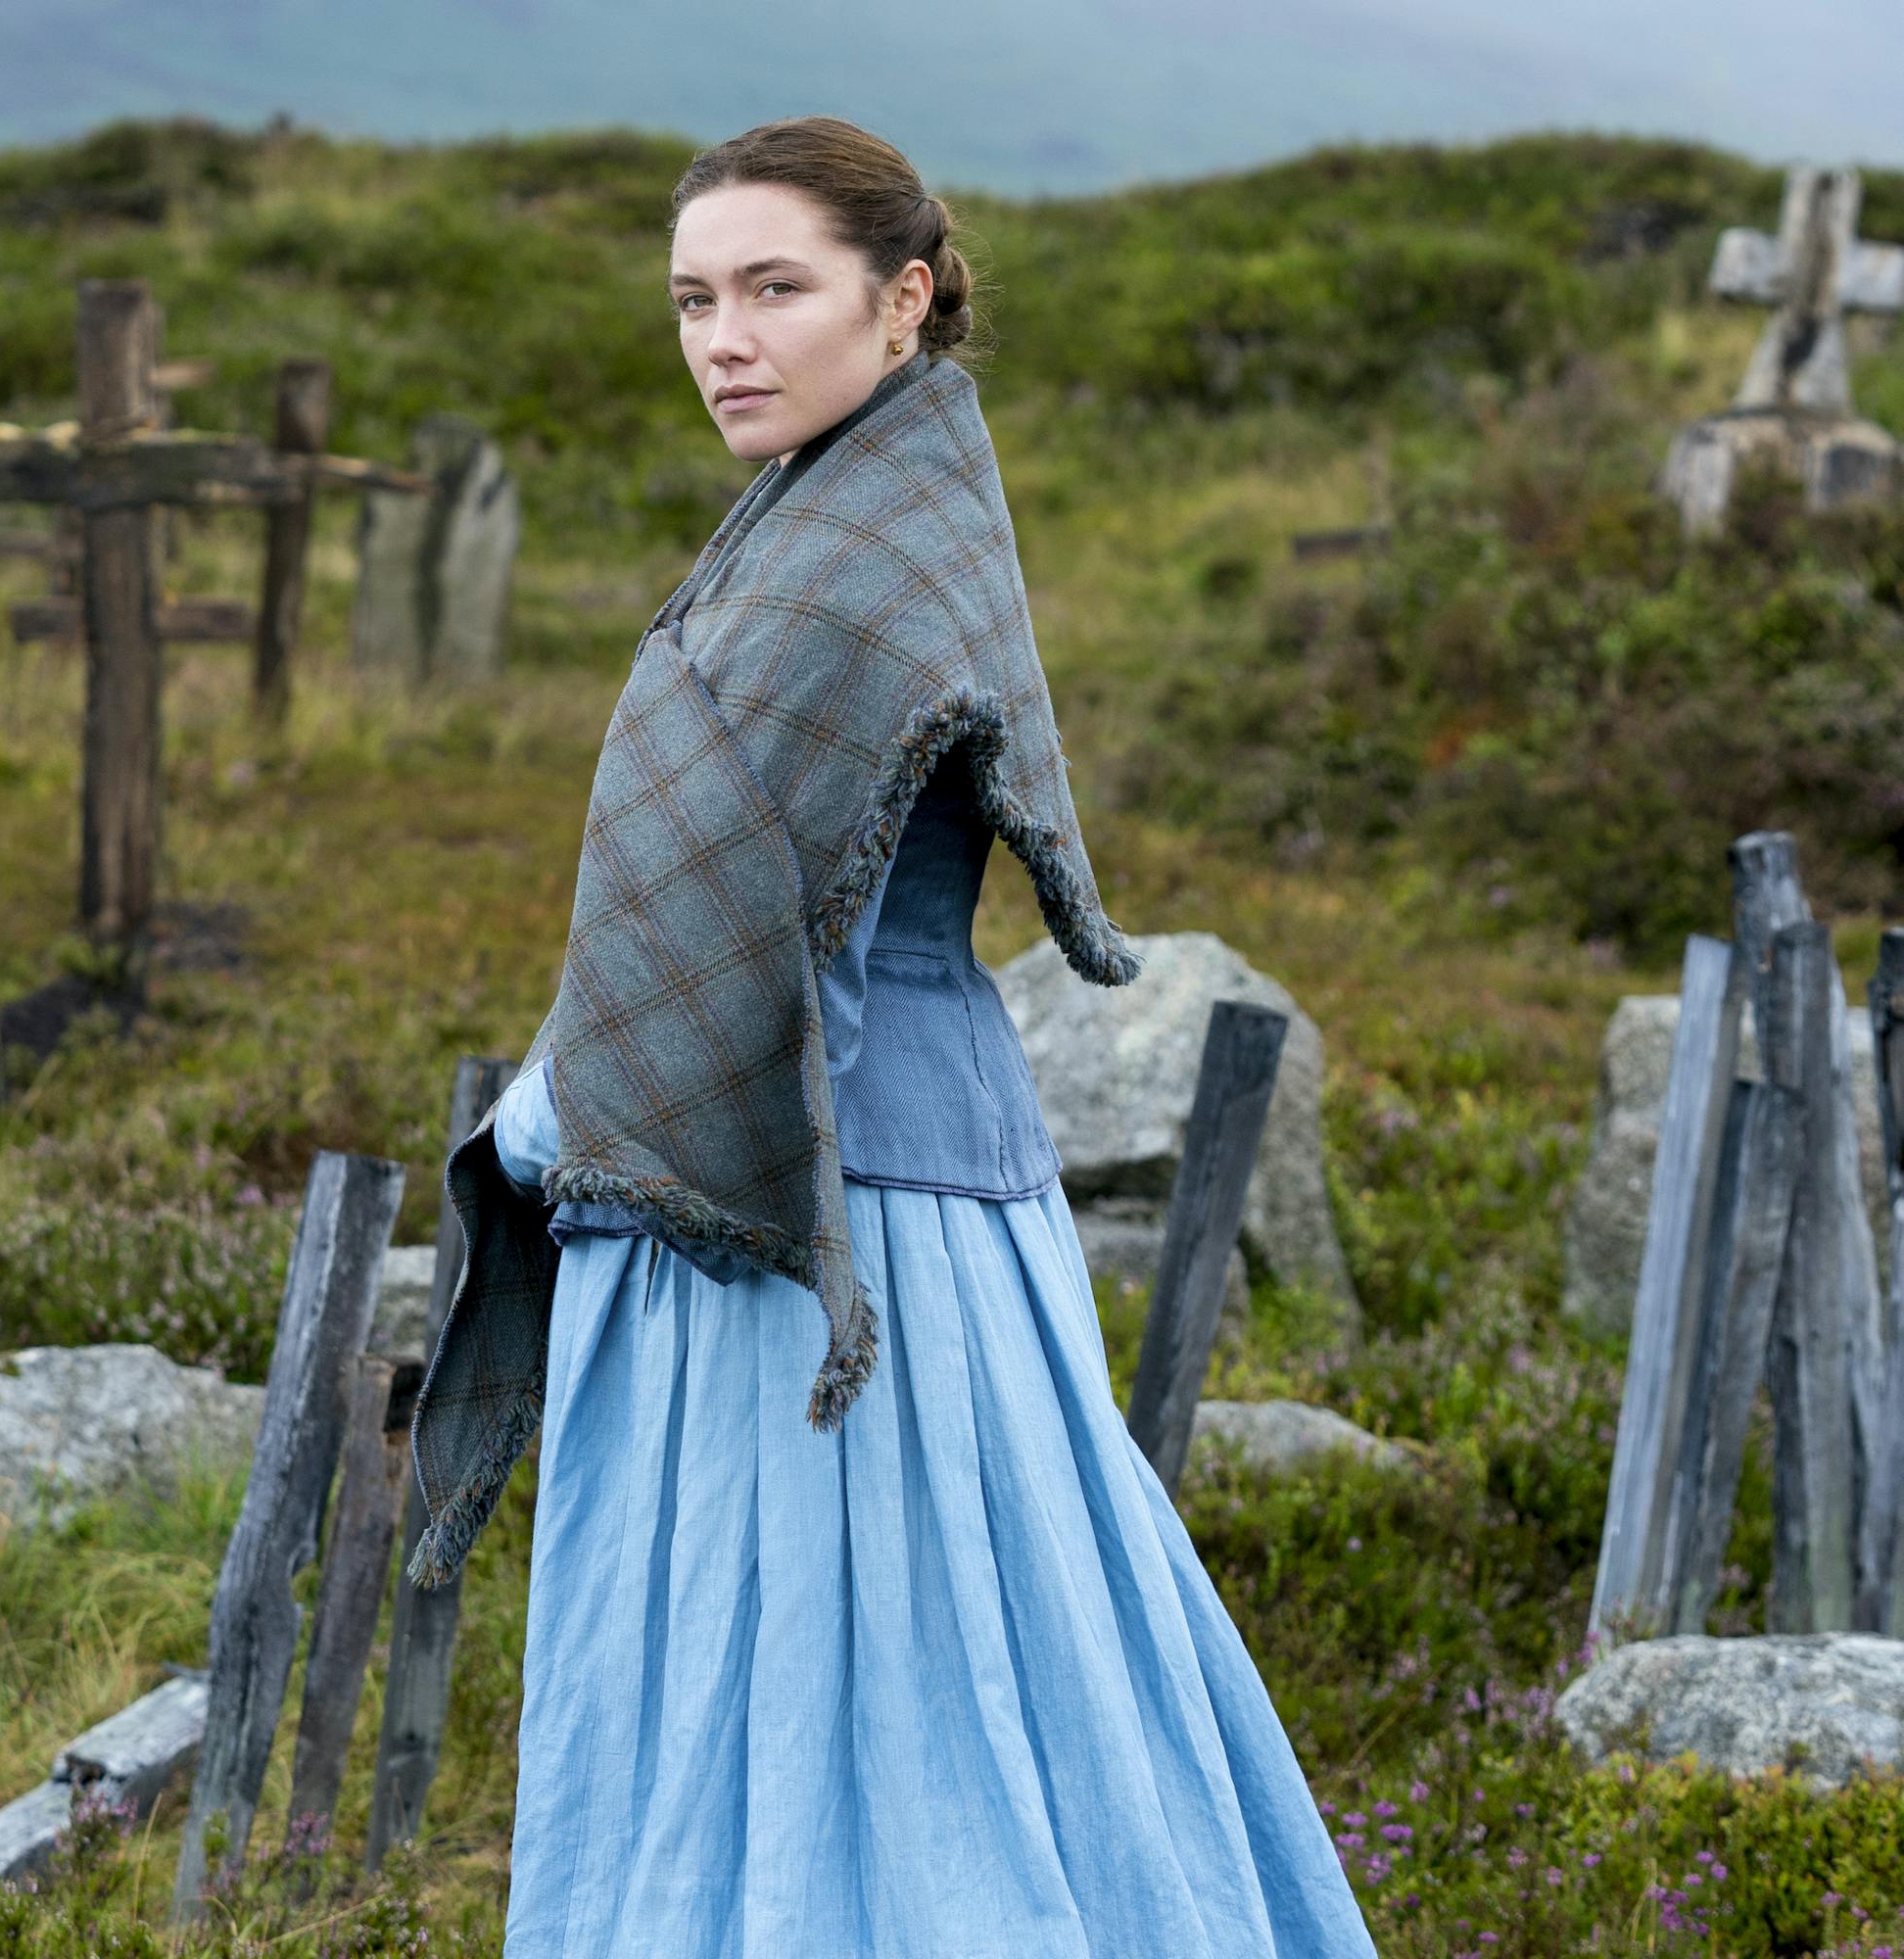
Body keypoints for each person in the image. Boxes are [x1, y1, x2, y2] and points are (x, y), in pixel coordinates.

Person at [401, 115, 1379, 1958]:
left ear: (904, 298)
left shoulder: (837, 568)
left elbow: (738, 948)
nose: (723, 340)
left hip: (799, 1225)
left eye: (777, 289)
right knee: (959, 1660)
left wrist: (540, 1135)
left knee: (820, 1674)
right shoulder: (877, 505)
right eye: (694, 298)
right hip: (912, 1204)